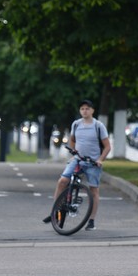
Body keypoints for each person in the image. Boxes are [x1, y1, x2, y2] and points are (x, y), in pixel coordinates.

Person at [42, 99, 111, 231]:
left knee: (94, 190)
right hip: (77, 159)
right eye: (82, 109)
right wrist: (74, 151)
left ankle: (91, 220)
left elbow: (107, 147)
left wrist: (101, 159)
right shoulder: (76, 124)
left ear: (92, 110)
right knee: (62, 181)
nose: (84, 111)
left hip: (92, 162)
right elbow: (72, 140)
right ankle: (55, 212)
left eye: (87, 108)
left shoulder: (98, 126)